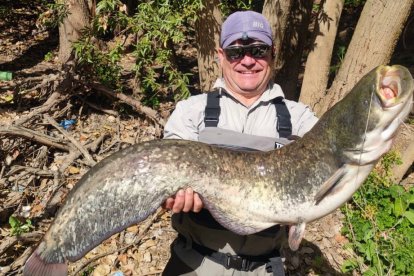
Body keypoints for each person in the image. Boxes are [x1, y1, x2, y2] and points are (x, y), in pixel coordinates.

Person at [162, 10, 318, 276]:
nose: (247, 61)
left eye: (258, 50)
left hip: (267, 268)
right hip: (194, 263)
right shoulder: (191, 111)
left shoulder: (300, 118)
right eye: (236, 52)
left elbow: (333, 164)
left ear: (272, 53)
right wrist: (172, 194)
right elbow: (166, 177)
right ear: (221, 56)